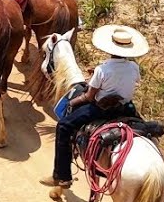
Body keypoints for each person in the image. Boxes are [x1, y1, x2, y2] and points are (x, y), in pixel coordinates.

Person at [41, 25, 149, 189]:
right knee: (144, 128)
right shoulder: (134, 67)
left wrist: (73, 102)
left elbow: (89, 97)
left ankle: (62, 176)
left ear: (110, 47)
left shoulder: (102, 69)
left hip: (101, 109)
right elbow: (131, 81)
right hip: (126, 107)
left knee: (63, 127)